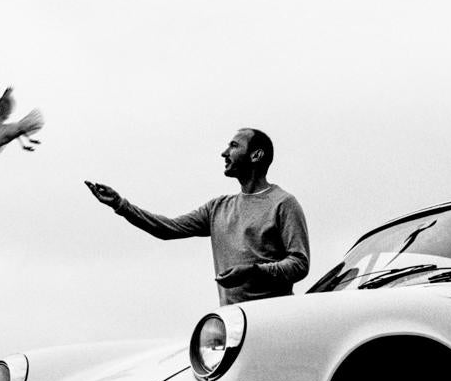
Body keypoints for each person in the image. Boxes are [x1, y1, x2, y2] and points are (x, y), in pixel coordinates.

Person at [85, 128, 309, 305]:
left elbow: (299, 263)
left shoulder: (283, 203)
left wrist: (254, 271)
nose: (224, 153)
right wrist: (120, 205)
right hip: (232, 324)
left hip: (274, 321)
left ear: (256, 155)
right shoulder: (218, 207)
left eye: (233, 145)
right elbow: (167, 229)